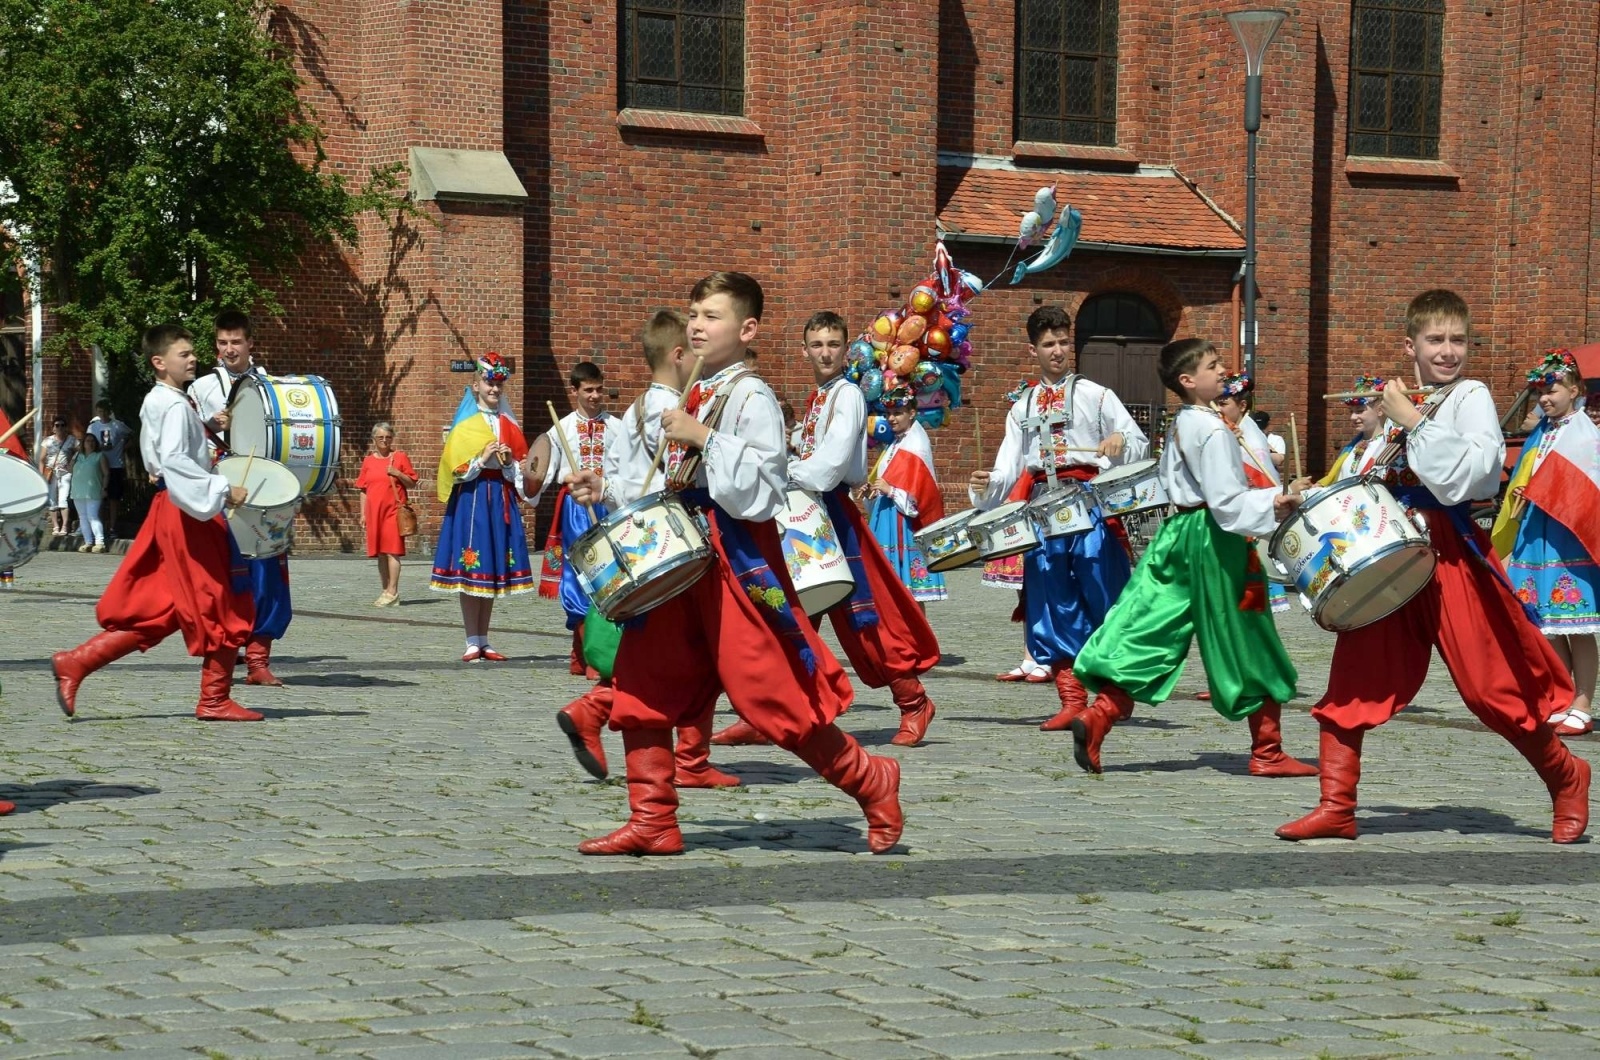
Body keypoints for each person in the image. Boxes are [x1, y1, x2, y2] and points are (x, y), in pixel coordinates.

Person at [564, 272, 902, 856]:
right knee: (645, 680)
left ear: (747, 330)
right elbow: (670, 484)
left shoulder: (752, 396)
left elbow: (765, 488)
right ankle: (653, 821)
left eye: (712, 315)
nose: (696, 323)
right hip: (680, 557)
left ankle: (870, 780)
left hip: (733, 562)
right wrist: (607, 490)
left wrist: (703, 437)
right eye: (694, 312)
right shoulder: (697, 390)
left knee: (771, 691)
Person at [1278, 289, 1589, 844]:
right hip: (1389, 549)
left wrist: (1415, 421)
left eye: (1458, 340)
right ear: (1411, 345)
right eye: (1436, 340)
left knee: (1489, 685)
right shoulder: (1401, 402)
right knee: (1356, 672)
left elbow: (1474, 476)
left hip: (1449, 551)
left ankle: (1567, 776)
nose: (1448, 351)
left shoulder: (1468, 395)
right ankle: (1337, 805)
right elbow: (1365, 480)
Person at [1067, 339, 1316, 777]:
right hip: (1216, 539)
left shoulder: (1183, 421)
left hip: (1178, 533)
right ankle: (1268, 751)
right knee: (1247, 631)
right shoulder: (1214, 429)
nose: (1223, 372)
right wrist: (1277, 504)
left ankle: (1100, 714)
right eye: (1213, 366)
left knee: (1151, 627)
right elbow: (1226, 501)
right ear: (1187, 380)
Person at [712, 310, 941, 748]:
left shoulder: (849, 395)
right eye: (816, 345)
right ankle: (771, 714)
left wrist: (785, 471)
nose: (825, 352)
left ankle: (914, 702)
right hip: (805, 511)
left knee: (865, 616)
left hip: (833, 513)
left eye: (833, 344)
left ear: (845, 349)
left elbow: (833, 464)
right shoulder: (818, 398)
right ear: (804, 350)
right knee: (790, 615)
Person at [556, 308, 742, 789]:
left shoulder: (631, 410)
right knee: (699, 650)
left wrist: (605, 489)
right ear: (678, 355)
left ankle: (682, 754)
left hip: (639, 546)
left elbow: (620, 484)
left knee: (675, 652)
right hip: (674, 543)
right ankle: (680, 754)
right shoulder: (677, 411)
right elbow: (676, 481)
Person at [50, 324, 259, 722]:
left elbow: (164, 456)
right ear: (159, 363)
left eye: (193, 352)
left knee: (163, 610)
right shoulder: (176, 405)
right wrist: (222, 490)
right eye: (184, 354)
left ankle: (76, 663)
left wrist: (210, 431)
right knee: (224, 599)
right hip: (188, 513)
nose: (193, 358)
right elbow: (176, 462)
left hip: (176, 509)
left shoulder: (164, 400)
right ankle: (214, 700)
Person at [968, 305, 1148, 733]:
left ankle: (1112, 693)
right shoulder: (1022, 406)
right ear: (1034, 350)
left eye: (1064, 342)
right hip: (1041, 510)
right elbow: (1011, 465)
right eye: (1049, 344)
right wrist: (987, 482)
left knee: (1101, 591)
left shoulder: (1097, 395)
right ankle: (1071, 698)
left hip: (1088, 506)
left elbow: (1136, 441)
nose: (1058, 351)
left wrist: (1120, 440)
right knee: (1051, 599)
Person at [1493, 350, 1600, 737]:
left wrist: (1546, 493)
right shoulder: (1541, 431)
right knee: (1547, 625)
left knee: (1577, 626)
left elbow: (1586, 489)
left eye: (1552, 389)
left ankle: (1583, 704)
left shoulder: (1585, 434)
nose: (1544, 397)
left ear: (1575, 389)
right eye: (1540, 389)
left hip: (1567, 539)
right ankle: (1561, 696)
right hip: (1534, 534)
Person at [191, 311, 293, 687]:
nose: (229, 349)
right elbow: (186, 442)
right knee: (223, 575)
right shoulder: (201, 388)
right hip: (221, 490)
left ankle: (258, 660)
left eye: (236, 342)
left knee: (268, 573)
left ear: (251, 344)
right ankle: (225, 649)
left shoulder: (270, 386)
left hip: (263, 491)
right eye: (222, 343)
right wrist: (211, 426)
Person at [430, 351, 534, 660]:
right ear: (476, 385)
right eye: (489, 383)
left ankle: (484, 638)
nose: (494, 390)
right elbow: (452, 468)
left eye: (499, 385)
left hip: (498, 497)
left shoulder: (508, 424)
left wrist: (507, 464)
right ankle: (470, 639)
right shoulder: (465, 424)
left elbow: (520, 468)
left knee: (490, 569)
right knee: (471, 567)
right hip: (472, 500)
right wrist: (480, 458)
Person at [534, 362, 618, 676]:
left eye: (599, 389)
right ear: (575, 391)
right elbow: (542, 469)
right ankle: (584, 651)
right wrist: (561, 476)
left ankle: (587, 653)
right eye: (588, 390)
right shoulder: (562, 429)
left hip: (606, 504)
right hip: (574, 507)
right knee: (579, 573)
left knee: (606, 576)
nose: (595, 396)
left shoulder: (617, 427)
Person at [866, 388, 947, 605]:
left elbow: (919, 496)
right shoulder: (895, 443)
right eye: (888, 413)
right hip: (886, 516)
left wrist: (890, 490)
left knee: (909, 591)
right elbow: (887, 480)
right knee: (888, 591)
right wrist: (873, 490)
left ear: (912, 413)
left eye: (898, 413)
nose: (891, 418)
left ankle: (917, 637)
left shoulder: (915, 445)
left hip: (903, 522)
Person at [354, 422, 418, 606]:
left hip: (392, 511)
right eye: (380, 437)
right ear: (374, 439)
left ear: (392, 439)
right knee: (380, 553)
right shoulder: (368, 461)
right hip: (374, 512)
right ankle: (385, 589)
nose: (384, 441)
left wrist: (397, 473)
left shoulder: (399, 457)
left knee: (392, 551)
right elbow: (363, 489)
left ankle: (393, 591)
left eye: (388, 437)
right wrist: (363, 513)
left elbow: (411, 482)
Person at [1318, 377, 1385, 485]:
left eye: (1360, 411)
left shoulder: (1387, 445)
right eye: (1351, 411)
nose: (1353, 417)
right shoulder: (1351, 446)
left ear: (1380, 410)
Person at [87, 400, 132, 539]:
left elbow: (131, 435)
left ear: (109, 411)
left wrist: (123, 448)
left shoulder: (117, 425)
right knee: (98, 498)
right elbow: (88, 442)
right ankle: (98, 528)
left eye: (105, 411)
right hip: (98, 466)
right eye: (99, 411)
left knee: (113, 499)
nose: (102, 414)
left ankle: (112, 528)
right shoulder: (93, 427)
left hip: (115, 465)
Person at [70, 432, 109, 553]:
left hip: (93, 490)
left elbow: (106, 473)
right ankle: (88, 542)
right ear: (83, 443)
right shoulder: (77, 455)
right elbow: (69, 469)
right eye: (87, 441)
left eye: (92, 441)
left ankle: (100, 542)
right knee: (82, 517)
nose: (90, 443)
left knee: (93, 516)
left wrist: (104, 488)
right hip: (77, 490)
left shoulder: (99, 456)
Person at [40, 415, 77, 537]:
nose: (60, 427)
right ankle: (56, 526)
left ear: (66, 427)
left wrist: (72, 463)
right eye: (57, 425)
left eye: (62, 425)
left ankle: (65, 526)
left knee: (63, 499)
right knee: (51, 499)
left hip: (65, 473)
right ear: (53, 428)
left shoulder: (71, 440)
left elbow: (80, 450)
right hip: (51, 472)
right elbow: (42, 459)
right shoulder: (47, 441)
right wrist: (41, 475)